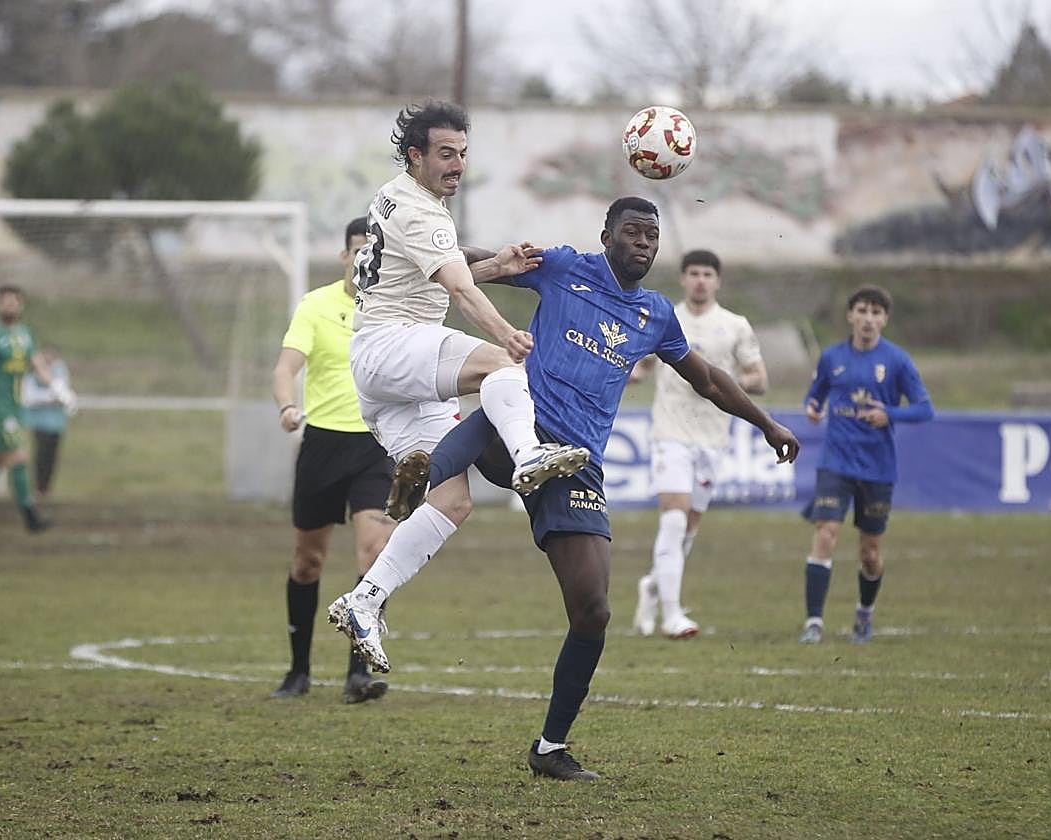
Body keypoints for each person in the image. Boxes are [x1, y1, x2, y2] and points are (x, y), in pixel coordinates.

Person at [334, 197, 800, 780]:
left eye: (652, 236)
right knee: (502, 389)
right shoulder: (562, 266)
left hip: (575, 464)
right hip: (521, 425)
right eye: (632, 232)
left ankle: (550, 747)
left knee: (593, 611)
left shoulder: (655, 314)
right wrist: (416, 255)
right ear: (606, 236)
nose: (643, 243)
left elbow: (705, 378)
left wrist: (766, 423)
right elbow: (477, 261)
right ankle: (424, 473)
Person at [326, 100, 588, 649]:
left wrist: (498, 267)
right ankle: (528, 455)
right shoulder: (419, 209)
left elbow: (434, 273)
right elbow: (458, 290)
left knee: (451, 502)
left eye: (463, 153)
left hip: (390, 374)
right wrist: (506, 334)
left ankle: (364, 601)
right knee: (503, 364)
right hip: (392, 346)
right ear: (414, 155)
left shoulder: (400, 197)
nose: (458, 165)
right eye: (446, 154)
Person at [269, 216, 396, 704]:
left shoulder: (394, 310)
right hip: (322, 445)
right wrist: (287, 406)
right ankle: (298, 671)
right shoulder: (315, 305)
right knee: (308, 561)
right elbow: (286, 368)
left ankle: (358, 673)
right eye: (359, 250)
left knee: (374, 553)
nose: (365, 259)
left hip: (375, 446)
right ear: (345, 255)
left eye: (374, 252)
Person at [629, 249, 769, 639]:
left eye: (707, 274)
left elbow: (759, 378)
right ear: (683, 278)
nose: (700, 280)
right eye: (693, 273)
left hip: (712, 438)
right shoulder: (664, 318)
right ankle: (672, 616)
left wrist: (726, 382)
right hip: (670, 432)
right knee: (673, 520)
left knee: (687, 531)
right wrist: (625, 372)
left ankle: (652, 586)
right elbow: (641, 367)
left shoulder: (735, 325)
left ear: (717, 280)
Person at [798, 284, 933, 645]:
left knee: (870, 553)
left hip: (877, 467)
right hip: (836, 462)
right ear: (850, 316)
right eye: (862, 311)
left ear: (884, 319)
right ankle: (814, 622)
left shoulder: (897, 361)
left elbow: (925, 409)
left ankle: (865, 611)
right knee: (825, 532)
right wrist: (812, 408)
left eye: (876, 313)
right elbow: (815, 395)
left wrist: (889, 414)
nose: (868, 319)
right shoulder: (831, 357)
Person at [0, 285, 75, 533]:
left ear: (21, 305)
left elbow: (38, 365)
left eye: (14, 301)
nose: (10, 305)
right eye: (5, 301)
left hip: (16, 407)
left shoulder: (25, 335)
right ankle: (31, 518)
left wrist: (59, 389)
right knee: (18, 456)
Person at [21, 344, 72, 503]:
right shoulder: (31, 372)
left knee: (52, 455)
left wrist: (55, 397)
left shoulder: (60, 369)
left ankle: (45, 489)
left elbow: (63, 394)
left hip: (57, 423)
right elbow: (30, 397)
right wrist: (51, 398)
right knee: (40, 454)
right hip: (39, 422)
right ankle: (36, 489)